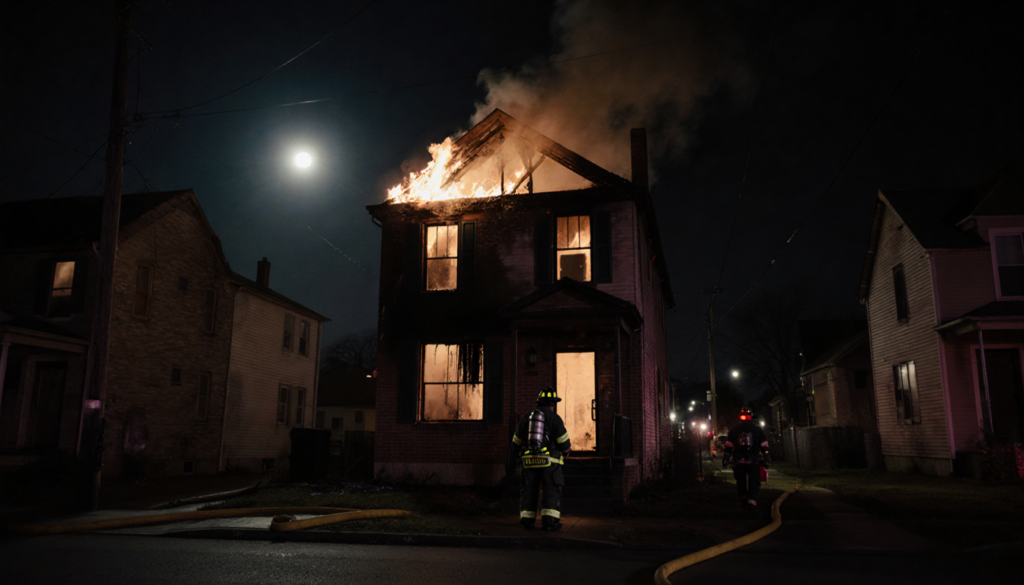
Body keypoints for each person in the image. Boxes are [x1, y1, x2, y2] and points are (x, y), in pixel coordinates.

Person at [510, 387, 572, 531]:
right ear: (552, 404)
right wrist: (566, 451)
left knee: (528, 491)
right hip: (550, 464)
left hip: (529, 462)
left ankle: (527, 520)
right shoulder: (554, 418)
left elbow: (515, 443)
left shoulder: (526, 417)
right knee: (551, 490)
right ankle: (550, 522)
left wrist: (517, 456)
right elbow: (564, 444)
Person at [722, 407, 770, 508]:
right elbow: (764, 445)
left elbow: (729, 447)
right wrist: (766, 456)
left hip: (741, 461)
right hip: (752, 461)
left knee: (743, 480)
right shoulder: (757, 430)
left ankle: (746, 499)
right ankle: (751, 500)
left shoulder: (734, 431)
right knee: (751, 480)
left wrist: (726, 459)